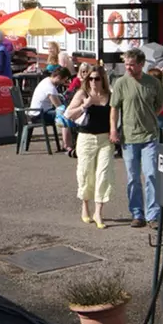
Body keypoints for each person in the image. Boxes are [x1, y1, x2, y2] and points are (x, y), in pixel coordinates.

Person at [109, 48, 163, 229]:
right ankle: (137, 213)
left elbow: (161, 103)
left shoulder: (152, 83)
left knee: (151, 175)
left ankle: (153, 215)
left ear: (141, 64)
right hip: (129, 136)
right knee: (133, 177)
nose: (128, 68)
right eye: (126, 64)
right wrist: (113, 130)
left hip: (149, 136)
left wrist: (152, 116)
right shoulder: (121, 83)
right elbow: (114, 108)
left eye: (132, 65)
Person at [65, 64, 114, 228]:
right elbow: (68, 114)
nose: (93, 82)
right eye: (90, 79)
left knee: (104, 174)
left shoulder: (109, 95)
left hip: (105, 139)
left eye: (97, 79)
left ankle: (98, 212)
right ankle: (85, 207)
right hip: (86, 137)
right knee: (85, 173)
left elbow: (114, 116)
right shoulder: (82, 93)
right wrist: (84, 106)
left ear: (103, 80)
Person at [57, 62, 93, 155]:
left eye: (86, 71)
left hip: (85, 105)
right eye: (82, 71)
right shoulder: (77, 81)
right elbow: (69, 94)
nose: (84, 73)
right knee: (65, 116)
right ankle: (67, 145)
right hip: (72, 103)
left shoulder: (92, 80)